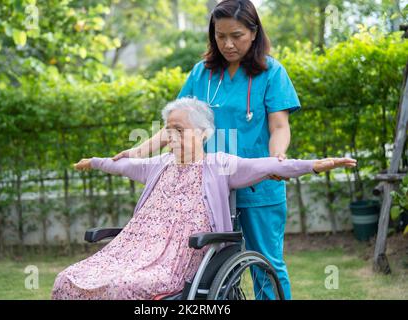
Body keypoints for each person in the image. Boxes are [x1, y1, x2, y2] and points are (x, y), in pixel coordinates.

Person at [51, 98, 356, 300]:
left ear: (203, 133)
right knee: (68, 279)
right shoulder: (158, 166)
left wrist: (315, 165)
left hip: (180, 260)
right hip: (135, 253)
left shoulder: (220, 165)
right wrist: (94, 161)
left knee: (120, 286)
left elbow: (270, 165)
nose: (171, 137)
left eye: (179, 130)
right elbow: (120, 165)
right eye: (168, 130)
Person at [113, 0, 302, 299]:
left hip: (259, 187)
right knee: (207, 268)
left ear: (254, 32)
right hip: (207, 188)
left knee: (267, 265)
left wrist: (275, 159)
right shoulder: (201, 74)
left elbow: (279, 126)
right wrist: (137, 152)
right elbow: (173, 125)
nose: (228, 44)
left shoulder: (272, 72)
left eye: (236, 35)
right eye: (220, 35)